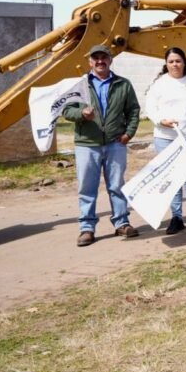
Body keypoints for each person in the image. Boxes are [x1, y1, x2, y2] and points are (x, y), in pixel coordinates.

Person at [63, 45, 141, 246]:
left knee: (117, 186)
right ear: (90, 61)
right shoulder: (79, 85)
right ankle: (87, 228)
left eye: (103, 57)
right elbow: (66, 110)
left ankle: (122, 223)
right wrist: (81, 114)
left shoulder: (123, 84)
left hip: (115, 143)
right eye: (95, 58)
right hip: (87, 144)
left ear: (110, 60)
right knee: (87, 188)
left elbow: (133, 110)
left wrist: (129, 133)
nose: (100, 61)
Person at [145, 47, 186, 234]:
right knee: (172, 178)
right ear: (166, 64)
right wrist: (161, 121)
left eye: (178, 61)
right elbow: (150, 108)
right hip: (166, 137)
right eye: (171, 61)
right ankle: (176, 217)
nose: (175, 64)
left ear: (184, 62)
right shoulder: (159, 84)